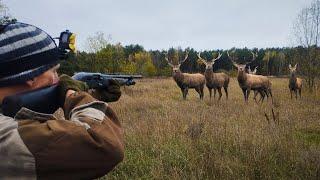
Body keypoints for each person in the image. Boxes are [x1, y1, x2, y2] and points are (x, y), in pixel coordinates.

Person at [0, 22, 124, 179]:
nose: (57, 79)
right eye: (54, 71)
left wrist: (89, 95)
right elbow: (105, 145)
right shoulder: (8, 137)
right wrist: (73, 94)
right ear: (31, 75)